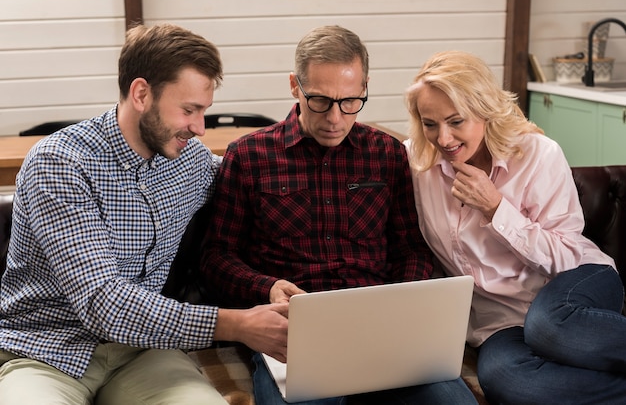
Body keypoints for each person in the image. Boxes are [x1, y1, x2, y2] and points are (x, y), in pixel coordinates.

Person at [0, 23, 289, 405]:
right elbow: (103, 301)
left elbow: (258, 188)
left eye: (204, 111)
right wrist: (237, 324)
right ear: (140, 93)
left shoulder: (191, 162)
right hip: (46, 351)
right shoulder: (59, 164)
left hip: (143, 353)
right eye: (189, 110)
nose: (200, 128)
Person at [200, 25, 477, 405]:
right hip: (292, 333)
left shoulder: (386, 153)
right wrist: (265, 287)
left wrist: (402, 305)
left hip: (380, 327)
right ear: (295, 86)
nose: (335, 117)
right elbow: (215, 258)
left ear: (364, 87)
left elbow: (411, 249)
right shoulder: (249, 157)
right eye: (320, 100)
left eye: (350, 101)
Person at [404, 50, 626, 404]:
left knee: (547, 327)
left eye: (456, 121)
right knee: (505, 379)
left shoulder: (539, 154)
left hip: (572, 283)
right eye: (430, 124)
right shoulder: (418, 165)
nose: (443, 138)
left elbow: (567, 255)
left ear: (485, 110)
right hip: (499, 320)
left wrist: (496, 209)